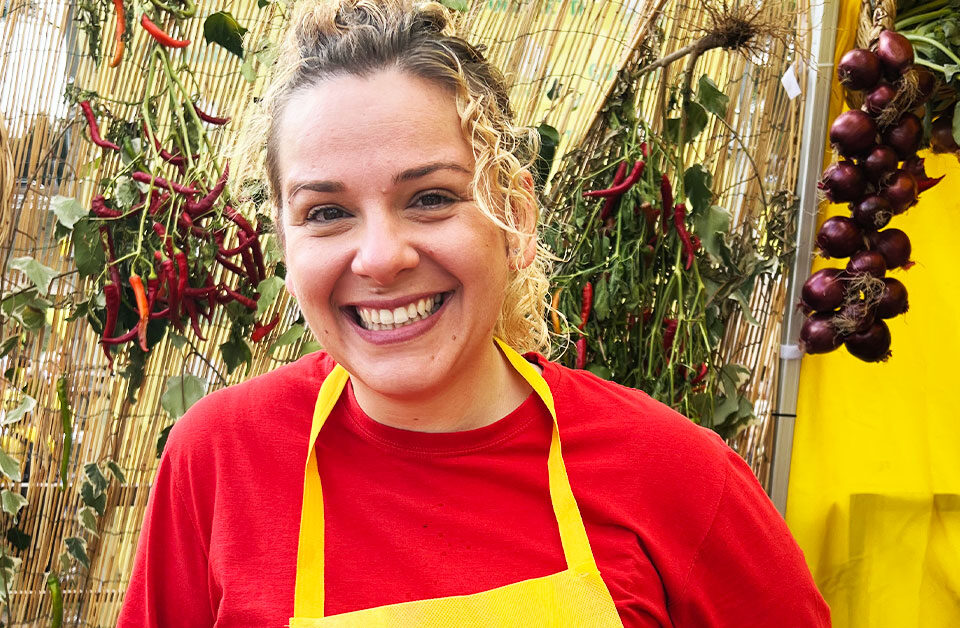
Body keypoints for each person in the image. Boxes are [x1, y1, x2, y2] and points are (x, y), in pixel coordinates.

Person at [117, 1, 831, 626]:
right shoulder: (219, 460)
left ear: (515, 218)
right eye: (327, 212)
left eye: (430, 197)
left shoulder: (676, 477)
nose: (379, 257)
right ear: (284, 241)